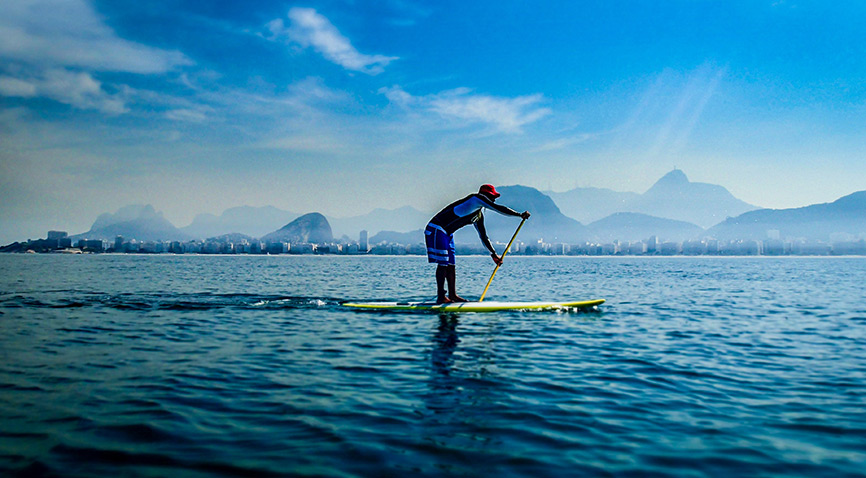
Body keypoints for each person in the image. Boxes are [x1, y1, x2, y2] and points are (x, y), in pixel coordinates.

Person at [425, 184, 530, 304]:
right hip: (436, 228)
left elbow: (484, 237)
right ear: (484, 195)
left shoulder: (478, 216)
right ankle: (441, 297)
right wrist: (519, 215)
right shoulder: (475, 199)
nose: (493, 199)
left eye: (494, 197)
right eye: (492, 196)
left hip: (447, 233)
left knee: (451, 264)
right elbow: (498, 208)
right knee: (443, 263)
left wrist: (493, 255)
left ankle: (453, 295)